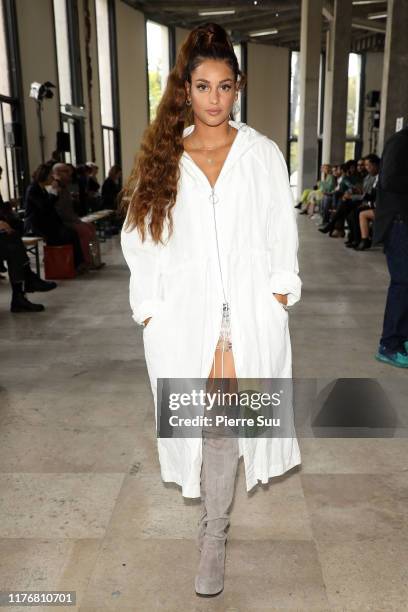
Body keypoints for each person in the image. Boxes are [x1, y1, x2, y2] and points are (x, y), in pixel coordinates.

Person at [120, 23, 302, 597]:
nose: (214, 99)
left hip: (246, 312)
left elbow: (281, 229)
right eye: (203, 86)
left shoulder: (262, 153)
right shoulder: (165, 158)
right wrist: (150, 307)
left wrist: (279, 290)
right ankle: (212, 525)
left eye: (224, 86)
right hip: (184, 314)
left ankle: (214, 535)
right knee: (193, 423)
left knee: (225, 422)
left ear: (238, 87)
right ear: (186, 89)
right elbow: (139, 237)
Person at [372, 127, 408, 367]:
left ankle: (402, 338)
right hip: (398, 224)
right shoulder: (400, 142)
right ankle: (389, 344)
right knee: (402, 283)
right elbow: (389, 179)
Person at [24, 163, 86, 273]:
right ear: (44, 176)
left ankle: (77, 264)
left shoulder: (41, 189)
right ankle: (73, 264)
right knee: (66, 234)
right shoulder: (33, 189)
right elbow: (44, 207)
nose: (52, 178)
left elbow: (50, 208)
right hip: (35, 225)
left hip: (45, 222)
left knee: (71, 232)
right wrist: (53, 193)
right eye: (50, 176)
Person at [52, 163, 98, 267]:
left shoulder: (65, 186)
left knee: (91, 227)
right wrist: (75, 221)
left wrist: (76, 218)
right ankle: (85, 261)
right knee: (84, 231)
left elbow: (69, 208)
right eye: (66, 172)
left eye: (69, 171)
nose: (70, 174)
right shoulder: (55, 186)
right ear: (57, 173)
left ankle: (94, 259)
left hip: (70, 219)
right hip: (61, 222)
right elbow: (59, 210)